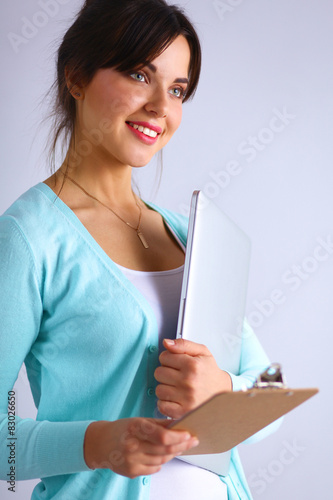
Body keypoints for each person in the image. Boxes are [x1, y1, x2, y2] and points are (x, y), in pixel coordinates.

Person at [0, 1, 278, 499]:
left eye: (177, 90)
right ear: (77, 76)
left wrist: (223, 391)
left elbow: (273, 393)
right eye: (137, 74)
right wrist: (96, 443)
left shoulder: (190, 236)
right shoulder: (29, 237)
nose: (161, 108)